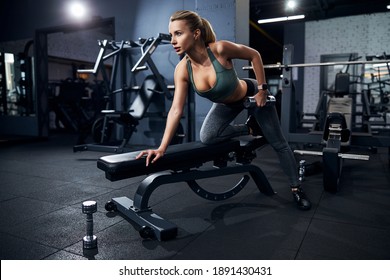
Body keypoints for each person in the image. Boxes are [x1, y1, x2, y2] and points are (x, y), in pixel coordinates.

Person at [136, 10, 311, 210]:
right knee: (208, 136)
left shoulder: (220, 49)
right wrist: (162, 148)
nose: (173, 40)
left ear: (196, 34)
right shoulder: (183, 69)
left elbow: (255, 55)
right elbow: (176, 109)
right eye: (171, 35)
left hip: (251, 94)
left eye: (178, 33)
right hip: (226, 105)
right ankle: (251, 129)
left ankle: (297, 189)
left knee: (278, 143)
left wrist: (262, 90)